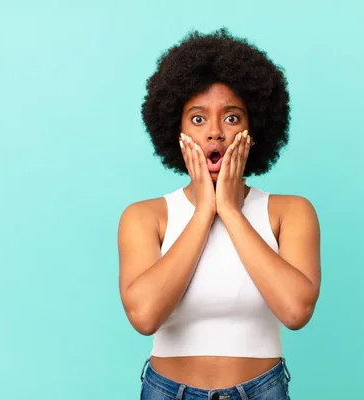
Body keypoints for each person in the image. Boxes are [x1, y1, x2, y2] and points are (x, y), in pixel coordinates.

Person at [118, 28, 321, 400]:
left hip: (262, 391)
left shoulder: (290, 212)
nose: (215, 133)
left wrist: (230, 210)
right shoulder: (145, 217)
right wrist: (203, 213)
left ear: (254, 129)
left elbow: (296, 311)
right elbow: (144, 317)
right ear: (176, 131)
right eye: (197, 119)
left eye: (231, 118)